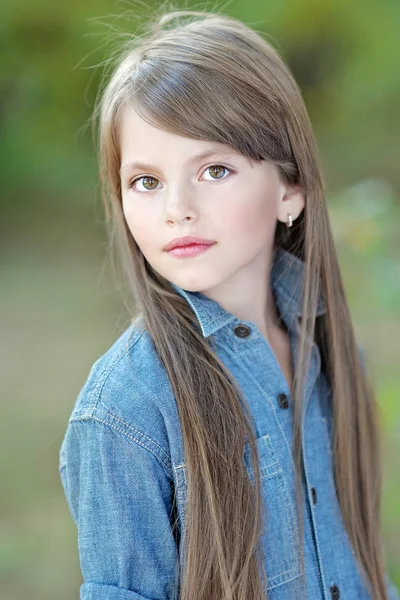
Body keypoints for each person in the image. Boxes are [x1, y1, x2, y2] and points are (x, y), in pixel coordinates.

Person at [58, 8, 399, 600]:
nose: (177, 208)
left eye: (214, 169)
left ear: (290, 189)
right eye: (147, 181)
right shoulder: (125, 410)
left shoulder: (333, 358)